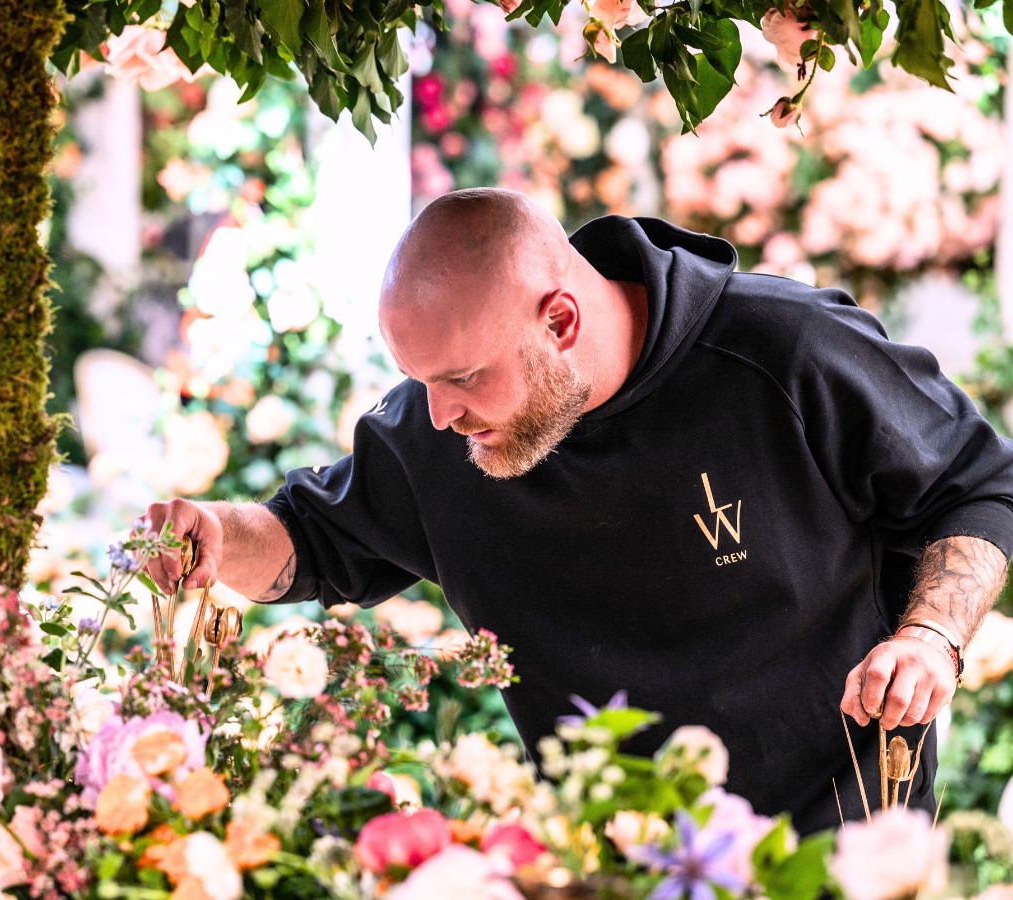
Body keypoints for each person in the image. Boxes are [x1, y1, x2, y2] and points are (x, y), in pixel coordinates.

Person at [143, 187, 1013, 834]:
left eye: (462, 377)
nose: (441, 415)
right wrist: (220, 538)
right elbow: (309, 538)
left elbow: (979, 483)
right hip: (595, 866)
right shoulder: (441, 433)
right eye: (420, 383)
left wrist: (931, 636)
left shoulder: (785, 352)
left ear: (559, 319)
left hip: (834, 850)